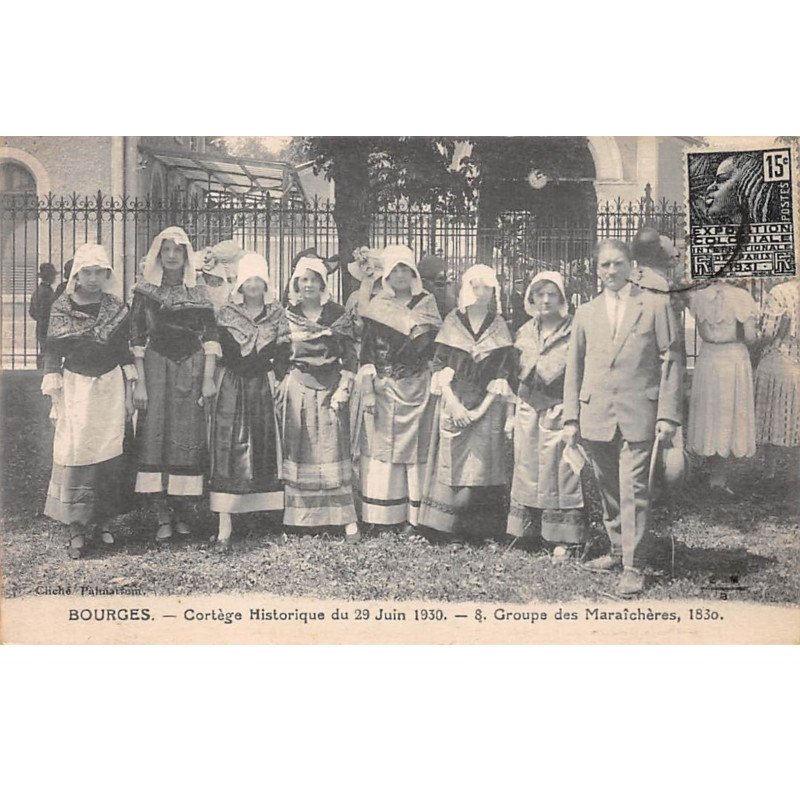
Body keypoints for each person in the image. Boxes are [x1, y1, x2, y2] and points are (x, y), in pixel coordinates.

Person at [563, 239, 683, 596]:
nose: (612, 271)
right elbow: (574, 368)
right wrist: (571, 419)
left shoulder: (655, 305)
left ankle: (634, 565)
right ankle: (617, 549)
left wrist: (668, 416)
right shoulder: (585, 312)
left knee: (635, 490)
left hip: (639, 413)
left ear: (632, 266)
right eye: (605, 266)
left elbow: (671, 360)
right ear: (596, 270)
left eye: (618, 264)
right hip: (596, 413)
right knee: (609, 489)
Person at [41, 244, 136, 558]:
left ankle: (104, 522)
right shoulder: (62, 306)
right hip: (77, 386)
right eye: (87, 272)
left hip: (109, 385)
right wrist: (53, 379)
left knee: (108, 449)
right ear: (76, 275)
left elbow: (124, 349)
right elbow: (52, 348)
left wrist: (132, 384)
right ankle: (78, 527)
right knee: (78, 450)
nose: (93, 278)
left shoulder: (116, 307)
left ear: (107, 274)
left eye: (99, 272)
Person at [130, 226, 220, 542]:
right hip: (155, 366)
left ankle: (181, 510)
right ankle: (161, 514)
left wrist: (208, 378)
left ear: (185, 256)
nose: (171, 256)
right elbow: (137, 338)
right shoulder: (144, 292)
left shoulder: (199, 290)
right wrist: (140, 384)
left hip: (192, 366)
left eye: (177, 250)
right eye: (165, 249)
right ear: (158, 254)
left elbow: (210, 336)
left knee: (187, 435)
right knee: (156, 434)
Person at [418, 264, 515, 537]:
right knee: (453, 466)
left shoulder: (499, 326)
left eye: (487, 287)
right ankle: (448, 529)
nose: (480, 292)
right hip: (455, 403)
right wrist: (454, 405)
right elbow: (438, 366)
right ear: (465, 288)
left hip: (488, 406)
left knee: (485, 468)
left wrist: (482, 410)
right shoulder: (451, 322)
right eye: (475, 285)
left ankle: (483, 530)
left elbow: (503, 373)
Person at [355, 245, 442, 533]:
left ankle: (414, 519)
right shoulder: (377, 306)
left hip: (419, 388)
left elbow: (435, 349)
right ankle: (382, 518)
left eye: (406, 269)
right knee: (384, 452)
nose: (401, 275)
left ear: (414, 273)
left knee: (416, 453)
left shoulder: (427, 303)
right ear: (387, 276)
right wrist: (368, 389)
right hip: (386, 388)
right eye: (395, 270)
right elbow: (366, 353)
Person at [209, 253, 291, 551]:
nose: (253, 285)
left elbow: (283, 351)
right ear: (240, 284)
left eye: (258, 279)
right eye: (248, 280)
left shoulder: (277, 314)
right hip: (233, 384)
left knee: (265, 442)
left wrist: (277, 374)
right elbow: (225, 351)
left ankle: (263, 516)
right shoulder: (227, 313)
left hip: (264, 385)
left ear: (265, 283)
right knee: (229, 445)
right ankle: (225, 524)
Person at [506, 271, 585, 560]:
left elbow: (580, 372)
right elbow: (515, 373)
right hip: (528, 407)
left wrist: (571, 413)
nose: (546, 299)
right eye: (540, 293)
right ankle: (524, 533)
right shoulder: (524, 331)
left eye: (552, 294)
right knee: (526, 468)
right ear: (531, 297)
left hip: (560, 407)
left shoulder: (574, 330)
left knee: (560, 473)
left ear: (562, 298)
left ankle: (562, 539)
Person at [279, 256, 360, 540]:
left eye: (314, 279)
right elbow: (279, 356)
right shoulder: (287, 315)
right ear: (296, 284)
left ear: (323, 283)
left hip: (331, 388)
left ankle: (345, 519)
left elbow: (351, 356)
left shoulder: (337, 315)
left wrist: (344, 388)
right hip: (299, 385)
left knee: (333, 449)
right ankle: (300, 518)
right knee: (301, 448)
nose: (309, 284)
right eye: (304, 279)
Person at [687, 281, 758, 494]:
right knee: (727, 411)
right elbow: (751, 337)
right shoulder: (742, 297)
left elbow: (701, 330)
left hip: (709, 356)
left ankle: (714, 471)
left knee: (711, 412)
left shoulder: (698, 297)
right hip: (733, 357)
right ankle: (719, 476)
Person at [754, 278, 800, 476]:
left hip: (780, 356)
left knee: (773, 417)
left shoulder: (779, 292)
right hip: (795, 354)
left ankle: (769, 472)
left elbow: (768, 333)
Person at [29, 262, 57, 368]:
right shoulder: (46, 292)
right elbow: (48, 311)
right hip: (47, 326)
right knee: (48, 352)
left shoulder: (38, 291)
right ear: (49, 276)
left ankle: (41, 371)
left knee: (44, 350)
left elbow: (32, 312)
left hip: (41, 326)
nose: (54, 277)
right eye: (53, 275)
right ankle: (43, 372)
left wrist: (40, 319)